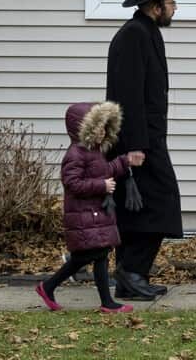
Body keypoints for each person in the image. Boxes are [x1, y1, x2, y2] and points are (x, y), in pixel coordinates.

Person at [106, 0, 183, 301]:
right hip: (139, 142)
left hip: (148, 138)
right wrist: (135, 145)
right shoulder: (134, 35)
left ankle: (131, 278)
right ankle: (132, 271)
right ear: (155, 5)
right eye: (170, 0)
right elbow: (127, 94)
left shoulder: (146, 31)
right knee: (162, 203)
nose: (175, 6)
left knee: (136, 209)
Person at [35, 101, 145, 313]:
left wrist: (124, 162)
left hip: (95, 214)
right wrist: (101, 186)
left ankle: (100, 301)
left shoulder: (94, 152)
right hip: (83, 214)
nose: (102, 132)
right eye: (97, 128)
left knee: (98, 255)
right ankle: (51, 287)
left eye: (104, 127)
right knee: (90, 256)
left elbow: (104, 171)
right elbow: (72, 183)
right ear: (82, 129)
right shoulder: (76, 153)